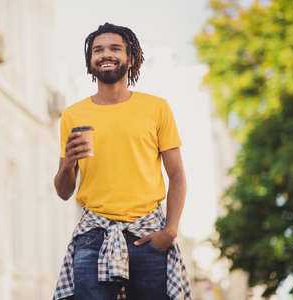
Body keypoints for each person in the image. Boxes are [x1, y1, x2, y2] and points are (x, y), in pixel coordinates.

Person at [53, 23, 191, 300]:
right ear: (90, 61)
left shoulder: (156, 108)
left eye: (115, 49)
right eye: (98, 50)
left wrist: (170, 231)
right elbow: (64, 191)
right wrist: (68, 162)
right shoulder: (73, 114)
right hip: (94, 235)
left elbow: (176, 175)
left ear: (131, 58)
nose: (106, 54)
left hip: (148, 234)